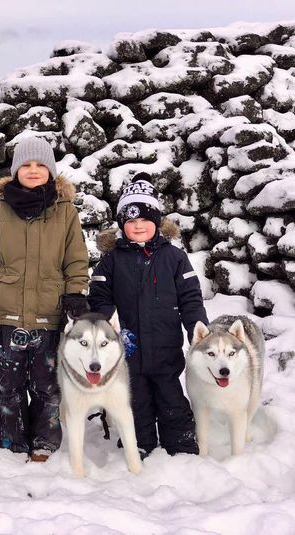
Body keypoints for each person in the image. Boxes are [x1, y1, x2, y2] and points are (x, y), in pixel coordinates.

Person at [0, 137, 90, 462]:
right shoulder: (0, 212)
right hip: (6, 313)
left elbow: (76, 260)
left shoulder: (65, 213)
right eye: (26, 165)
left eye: (40, 165)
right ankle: (10, 437)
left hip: (48, 312)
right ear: (15, 170)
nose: (33, 171)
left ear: (50, 171)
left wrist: (76, 293)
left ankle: (45, 439)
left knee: (46, 384)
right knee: (7, 382)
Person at [88, 173, 208, 457]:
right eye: (130, 222)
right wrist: (114, 330)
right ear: (122, 225)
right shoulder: (111, 261)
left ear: (156, 222)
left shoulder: (175, 258)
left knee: (171, 397)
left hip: (166, 347)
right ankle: (139, 442)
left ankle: (180, 443)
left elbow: (191, 298)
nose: (138, 226)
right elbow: (98, 299)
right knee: (135, 398)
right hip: (129, 350)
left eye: (144, 220)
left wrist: (198, 332)